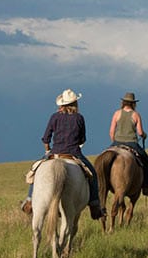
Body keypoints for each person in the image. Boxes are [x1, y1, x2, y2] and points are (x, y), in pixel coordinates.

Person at [21, 88, 106, 220]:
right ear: (75, 104)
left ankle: (29, 200)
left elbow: (46, 138)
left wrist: (47, 149)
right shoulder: (79, 118)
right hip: (74, 153)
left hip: (55, 152)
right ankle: (95, 206)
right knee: (93, 174)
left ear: (62, 104)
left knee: (35, 171)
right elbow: (83, 139)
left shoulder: (54, 117)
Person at [109, 91, 148, 196]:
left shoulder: (117, 113)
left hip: (116, 143)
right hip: (132, 143)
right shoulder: (135, 115)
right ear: (133, 103)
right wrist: (144, 135)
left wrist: (115, 143)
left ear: (123, 102)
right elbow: (139, 132)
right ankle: (146, 187)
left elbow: (111, 132)